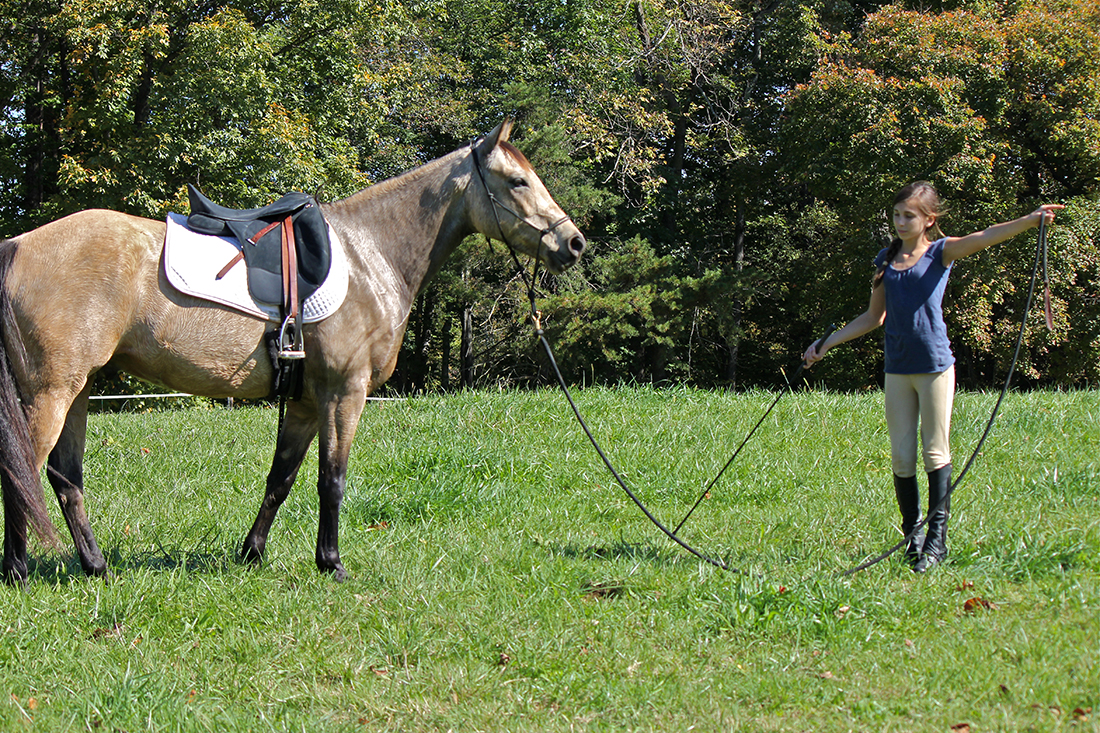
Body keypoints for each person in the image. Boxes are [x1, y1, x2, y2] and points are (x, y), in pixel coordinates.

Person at [802, 181, 1062, 572]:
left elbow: (985, 236)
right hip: (897, 370)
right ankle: (913, 539)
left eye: (909, 216)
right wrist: (827, 343)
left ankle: (936, 544)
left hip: (935, 367)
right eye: (896, 215)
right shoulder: (885, 261)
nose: (901, 222)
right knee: (902, 456)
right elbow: (874, 317)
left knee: (935, 452)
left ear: (929, 220)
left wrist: (1030, 220)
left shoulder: (941, 252)